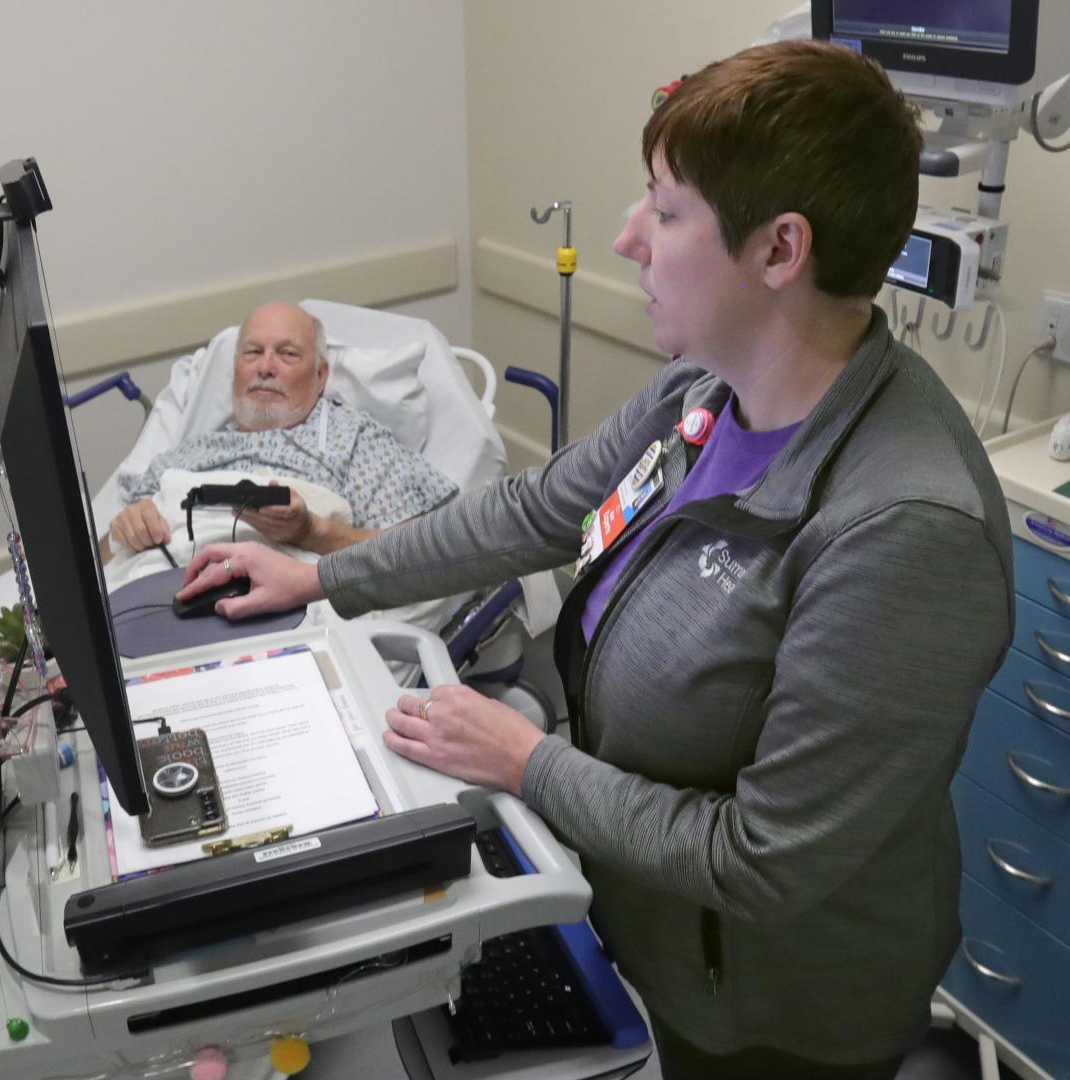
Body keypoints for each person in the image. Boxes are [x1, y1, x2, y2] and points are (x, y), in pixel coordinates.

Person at [177, 42, 1014, 1078]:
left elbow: (763, 860)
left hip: (770, 1012)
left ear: (778, 249)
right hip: (641, 928)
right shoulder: (701, 398)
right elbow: (533, 512)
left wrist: (526, 763)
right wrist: (321, 575)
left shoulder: (899, 531)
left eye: (664, 212)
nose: (625, 236)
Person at [106, 301, 456, 560]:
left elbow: (420, 550)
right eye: (253, 352)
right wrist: (125, 531)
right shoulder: (186, 454)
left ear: (321, 376)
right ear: (235, 370)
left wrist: (312, 532)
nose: (265, 367)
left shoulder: (355, 441)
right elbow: (105, 562)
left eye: (287, 354)